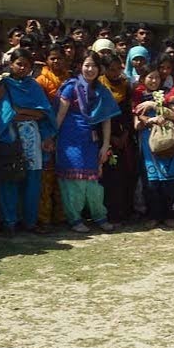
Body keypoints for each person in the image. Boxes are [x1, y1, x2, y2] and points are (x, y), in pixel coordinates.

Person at [54, 51, 118, 233]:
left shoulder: (102, 91)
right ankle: (75, 219)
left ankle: (100, 217)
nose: (90, 69)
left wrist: (106, 145)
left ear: (100, 69)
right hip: (69, 140)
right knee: (73, 182)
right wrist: (52, 137)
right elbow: (60, 115)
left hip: (91, 141)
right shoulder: (71, 87)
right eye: (86, 65)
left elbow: (106, 120)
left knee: (93, 182)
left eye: (94, 66)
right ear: (80, 67)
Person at [0, 48, 57, 234]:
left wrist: (22, 111)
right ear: (11, 64)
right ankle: (10, 222)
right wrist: (28, 113)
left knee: (32, 180)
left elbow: (44, 113)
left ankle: (30, 221)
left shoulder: (34, 86)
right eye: (19, 64)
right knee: (10, 178)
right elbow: (7, 114)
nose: (22, 68)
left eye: (26, 65)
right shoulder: (3, 85)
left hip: (33, 138)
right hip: (10, 137)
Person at [134, 69, 174, 227]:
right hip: (149, 142)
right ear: (143, 79)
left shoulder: (168, 95)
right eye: (150, 77)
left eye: (157, 77)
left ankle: (168, 213)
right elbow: (137, 124)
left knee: (171, 179)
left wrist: (155, 105)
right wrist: (151, 121)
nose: (153, 80)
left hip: (170, 140)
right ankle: (154, 215)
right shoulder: (138, 97)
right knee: (151, 181)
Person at [34, 42, 71, 230]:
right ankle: (44, 219)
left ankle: (62, 216)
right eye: (52, 58)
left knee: (63, 175)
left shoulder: (70, 80)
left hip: (67, 133)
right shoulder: (40, 81)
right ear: (46, 60)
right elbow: (41, 109)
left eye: (59, 58)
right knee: (46, 178)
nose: (56, 61)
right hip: (46, 131)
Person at [100, 52, 138, 223]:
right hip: (105, 137)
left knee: (126, 174)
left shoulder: (125, 85)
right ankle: (109, 213)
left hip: (124, 137)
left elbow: (129, 113)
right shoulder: (100, 86)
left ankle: (126, 211)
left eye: (118, 69)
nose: (115, 73)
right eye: (111, 69)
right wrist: (109, 138)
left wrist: (125, 134)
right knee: (108, 176)